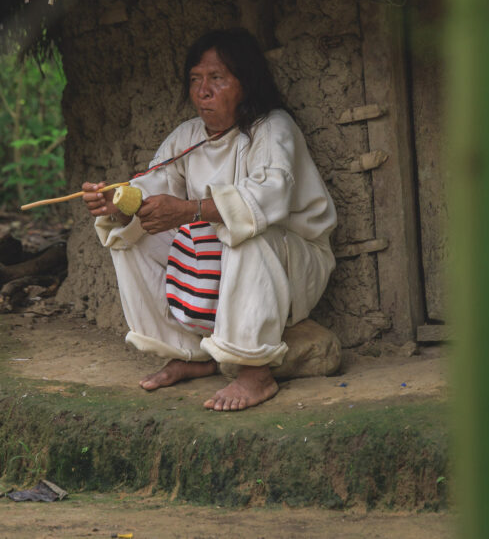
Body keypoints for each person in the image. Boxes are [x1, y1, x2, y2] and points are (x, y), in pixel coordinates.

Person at [82, 28, 336, 411]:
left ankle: (255, 371)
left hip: (292, 264)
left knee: (247, 230)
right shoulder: (187, 136)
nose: (203, 92)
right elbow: (150, 187)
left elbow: (269, 197)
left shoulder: (273, 127)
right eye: (195, 80)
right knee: (131, 236)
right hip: (220, 262)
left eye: (217, 79)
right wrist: (115, 204)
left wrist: (189, 211)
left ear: (246, 83)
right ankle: (189, 353)